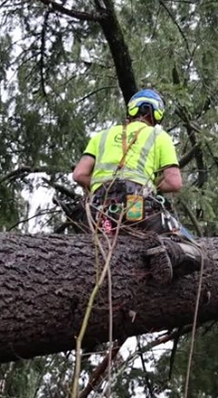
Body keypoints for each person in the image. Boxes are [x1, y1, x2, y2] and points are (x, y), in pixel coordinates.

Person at [72, 88, 201, 284]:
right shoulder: (159, 136)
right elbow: (174, 182)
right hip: (136, 206)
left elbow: (79, 174)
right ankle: (166, 252)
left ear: (131, 110)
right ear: (157, 114)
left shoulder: (102, 136)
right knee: (196, 251)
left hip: (99, 211)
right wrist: (151, 186)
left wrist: (101, 185)